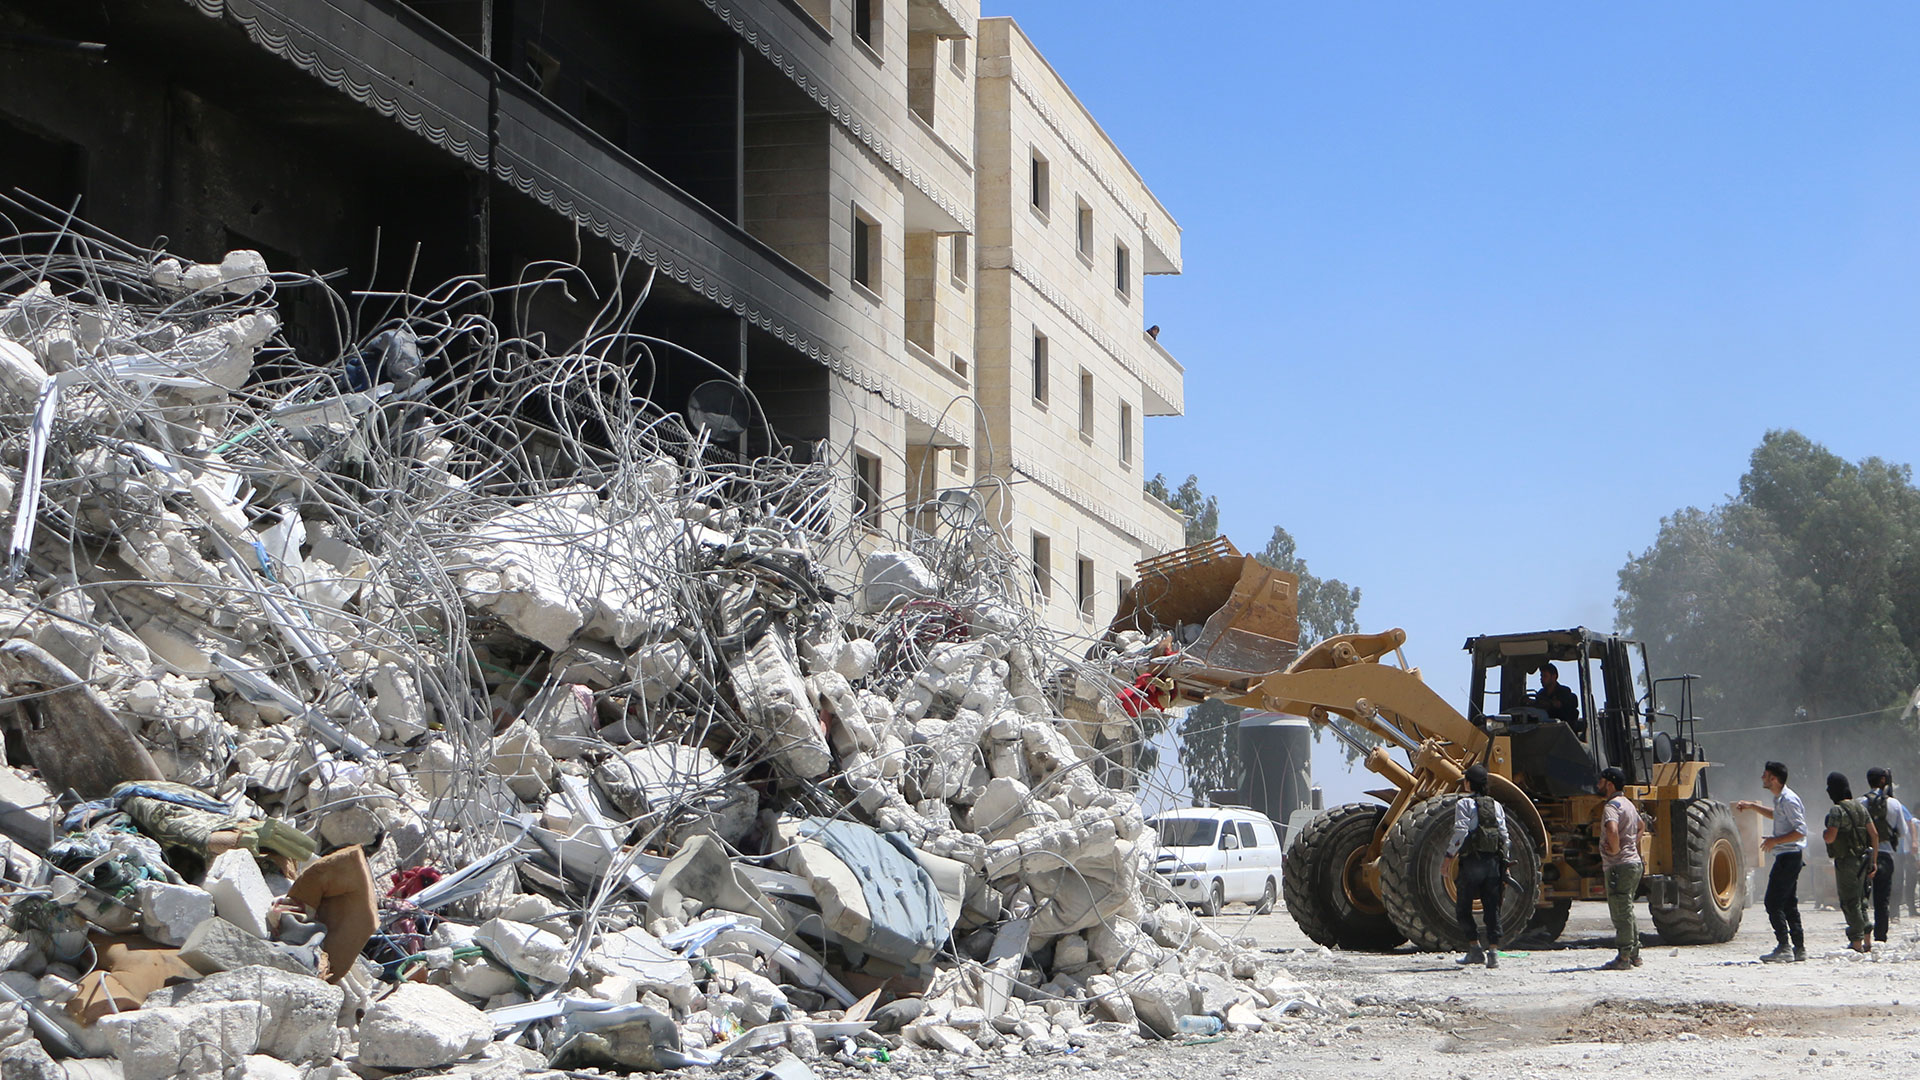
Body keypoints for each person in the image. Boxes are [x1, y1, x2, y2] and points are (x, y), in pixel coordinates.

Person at [1734, 761, 1807, 962]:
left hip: (1789, 856)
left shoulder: (1789, 800)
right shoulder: (1780, 799)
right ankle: (1799, 948)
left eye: (1765, 775)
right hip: (1786, 855)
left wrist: (1776, 840)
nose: (1762, 778)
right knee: (1789, 903)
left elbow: (1801, 831)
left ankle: (1784, 947)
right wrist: (1753, 807)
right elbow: (1777, 816)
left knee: (1772, 902)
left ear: (1773, 778)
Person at [1442, 764, 1509, 969]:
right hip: (1492, 863)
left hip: (1471, 862)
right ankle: (1494, 953)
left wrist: (1448, 856)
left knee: (1463, 907)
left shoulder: (1464, 804)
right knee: (1491, 907)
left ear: (1469, 782)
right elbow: (1504, 836)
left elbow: (1461, 833)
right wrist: (1505, 862)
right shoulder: (1496, 805)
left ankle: (1474, 949)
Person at [1823, 771, 1877, 952]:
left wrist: (1825, 833)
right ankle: (1868, 940)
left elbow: (1830, 838)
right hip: (1864, 860)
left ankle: (1856, 943)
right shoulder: (1861, 808)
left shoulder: (1837, 810)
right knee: (1861, 901)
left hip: (1847, 862)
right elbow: (1874, 835)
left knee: (1849, 902)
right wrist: (1874, 862)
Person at [1596, 766, 1643, 969]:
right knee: (1627, 908)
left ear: (1610, 784)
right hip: (1633, 863)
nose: (1598, 784)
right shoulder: (1629, 805)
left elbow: (1612, 829)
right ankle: (1634, 954)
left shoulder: (1611, 807)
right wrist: (1632, 845)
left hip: (1619, 866)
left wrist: (1615, 850)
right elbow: (1641, 826)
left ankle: (1624, 957)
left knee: (1620, 911)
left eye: (1601, 781)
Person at [1863, 766, 1908, 944]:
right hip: (1886, 855)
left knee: (1862, 899)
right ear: (1883, 780)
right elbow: (1903, 832)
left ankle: (1861, 936)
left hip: (1865, 855)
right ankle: (1880, 937)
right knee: (1882, 899)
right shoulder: (1894, 804)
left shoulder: (1861, 802)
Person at [1532, 663, 1584, 737]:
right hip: (1545, 731)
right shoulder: (1540, 694)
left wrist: (1552, 704)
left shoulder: (1564, 692)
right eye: (1541, 676)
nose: (1542, 679)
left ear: (1554, 677)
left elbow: (1561, 706)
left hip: (1563, 732)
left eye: (1545, 676)